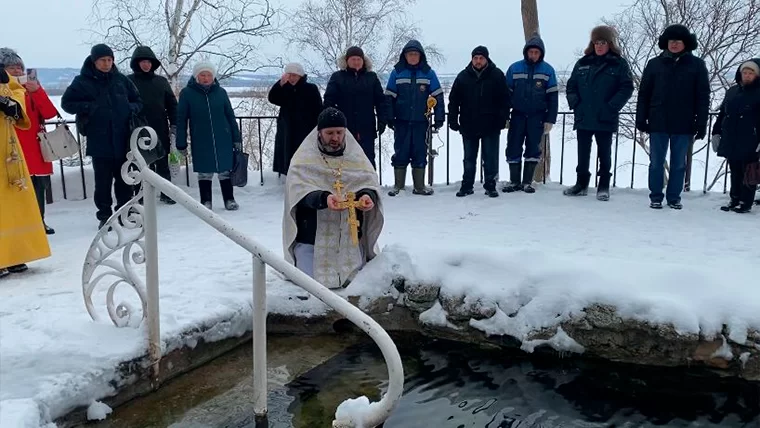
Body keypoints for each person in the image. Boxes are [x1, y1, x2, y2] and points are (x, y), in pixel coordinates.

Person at [283, 108, 383, 289]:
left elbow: (368, 181)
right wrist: (323, 198)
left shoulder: (356, 157)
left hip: (349, 244)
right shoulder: (303, 159)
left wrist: (366, 196)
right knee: (310, 291)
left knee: (356, 291)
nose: (335, 138)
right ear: (319, 133)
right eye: (329, 133)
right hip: (311, 242)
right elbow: (298, 192)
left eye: (339, 132)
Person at [61, 44, 143, 229]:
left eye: (109, 60)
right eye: (102, 60)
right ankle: (104, 217)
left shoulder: (121, 80)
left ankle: (124, 212)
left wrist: (131, 108)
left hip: (123, 139)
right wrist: (89, 107)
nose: (106, 64)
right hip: (99, 140)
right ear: (94, 61)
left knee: (124, 180)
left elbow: (138, 100)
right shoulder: (82, 81)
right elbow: (67, 103)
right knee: (103, 183)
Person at [636, 24, 710, 210]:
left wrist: (701, 123)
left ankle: (674, 197)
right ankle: (655, 196)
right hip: (658, 121)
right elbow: (644, 93)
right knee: (656, 163)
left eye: (678, 41)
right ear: (665, 43)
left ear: (686, 43)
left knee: (678, 164)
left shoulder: (697, 65)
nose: (674, 44)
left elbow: (703, 96)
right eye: (671, 41)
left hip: (683, 123)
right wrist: (641, 117)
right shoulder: (654, 64)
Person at [564, 26, 634, 201]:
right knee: (582, 152)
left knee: (604, 153)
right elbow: (571, 86)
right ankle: (581, 184)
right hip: (584, 116)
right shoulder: (582, 63)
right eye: (596, 42)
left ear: (609, 44)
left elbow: (626, 87)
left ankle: (603, 186)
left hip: (605, 116)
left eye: (603, 42)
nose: (599, 46)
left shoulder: (619, 64)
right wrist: (576, 105)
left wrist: (612, 106)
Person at [1, 48, 59, 233]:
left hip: (36, 147)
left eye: (20, 67)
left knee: (38, 188)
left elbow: (50, 113)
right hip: (13, 148)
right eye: (12, 68)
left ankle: (39, 222)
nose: (18, 71)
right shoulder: (4, 92)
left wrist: (37, 91)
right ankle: (21, 225)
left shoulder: (30, 89)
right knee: (17, 190)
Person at [0, 68, 50, 278]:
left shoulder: (4, 77)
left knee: (15, 200)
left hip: (7, 147)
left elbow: (17, 94)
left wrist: (10, 105)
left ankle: (16, 253)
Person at [176, 62, 242, 211]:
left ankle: (229, 199)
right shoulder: (187, 93)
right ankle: (206, 202)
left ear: (213, 76)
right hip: (201, 139)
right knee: (204, 172)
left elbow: (230, 116)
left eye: (209, 75)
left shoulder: (221, 93)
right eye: (202, 75)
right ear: (196, 76)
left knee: (225, 171)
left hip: (223, 139)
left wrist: (236, 138)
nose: (206, 78)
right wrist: (181, 143)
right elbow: (181, 119)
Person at [448, 45, 510, 198]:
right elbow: (454, 100)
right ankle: (467, 185)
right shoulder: (463, 76)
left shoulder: (497, 75)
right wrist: (453, 119)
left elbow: (505, 99)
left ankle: (490, 185)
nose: (478, 61)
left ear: (486, 59)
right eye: (475, 58)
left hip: (491, 124)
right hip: (469, 124)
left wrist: (503, 118)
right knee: (469, 158)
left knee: (490, 158)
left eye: (481, 58)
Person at [385, 39, 445, 196]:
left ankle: (419, 186)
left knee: (420, 151)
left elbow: (438, 96)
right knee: (401, 152)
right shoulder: (396, 73)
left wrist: (439, 117)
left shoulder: (428, 73)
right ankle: (399, 186)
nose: (412, 57)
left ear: (421, 56)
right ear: (404, 56)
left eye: (415, 54)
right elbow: (389, 97)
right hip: (402, 121)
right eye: (409, 54)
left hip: (421, 122)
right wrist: (389, 117)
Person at [503, 34, 559, 193]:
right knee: (513, 146)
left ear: (541, 53)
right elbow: (506, 95)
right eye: (531, 52)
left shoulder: (548, 70)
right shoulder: (514, 68)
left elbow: (553, 97)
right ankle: (514, 182)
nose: (533, 55)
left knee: (533, 147)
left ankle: (527, 181)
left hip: (537, 116)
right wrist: (505, 116)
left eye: (536, 52)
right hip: (517, 115)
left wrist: (550, 119)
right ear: (526, 52)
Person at [127, 45, 178, 204]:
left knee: (162, 161)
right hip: (136, 128)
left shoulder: (161, 82)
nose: (146, 65)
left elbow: (172, 105)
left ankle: (166, 192)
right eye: (142, 62)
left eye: (149, 62)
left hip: (159, 126)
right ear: (136, 63)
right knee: (138, 162)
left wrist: (174, 124)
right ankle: (139, 194)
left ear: (153, 64)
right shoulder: (128, 82)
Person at [323, 46, 389, 169]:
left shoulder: (372, 77)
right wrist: (330, 122)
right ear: (347, 61)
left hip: (366, 127)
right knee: (344, 159)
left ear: (363, 61)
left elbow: (380, 101)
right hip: (343, 128)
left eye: (359, 59)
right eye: (353, 59)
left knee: (367, 159)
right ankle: (343, 186)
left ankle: (369, 186)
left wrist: (382, 119)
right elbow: (329, 101)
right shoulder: (337, 77)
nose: (356, 62)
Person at [711, 59, 760, 213]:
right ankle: (734, 198)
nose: (747, 76)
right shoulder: (732, 91)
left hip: (751, 138)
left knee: (749, 170)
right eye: (744, 72)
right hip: (731, 137)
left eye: (751, 73)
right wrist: (716, 132)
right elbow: (722, 114)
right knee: (735, 169)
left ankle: (745, 202)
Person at [269, 63, 322, 175]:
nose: (292, 78)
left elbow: (318, 108)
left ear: (300, 76)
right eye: (290, 75)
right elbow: (272, 98)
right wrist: (280, 84)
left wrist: (318, 127)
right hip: (287, 130)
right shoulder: (285, 88)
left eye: (295, 75)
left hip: (305, 130)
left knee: (304, 159)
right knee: (288, 160)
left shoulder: (310, 88)